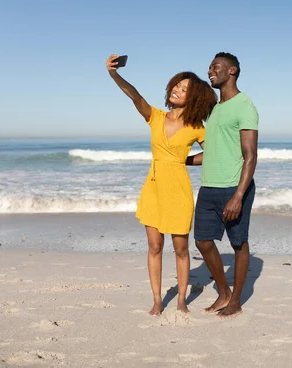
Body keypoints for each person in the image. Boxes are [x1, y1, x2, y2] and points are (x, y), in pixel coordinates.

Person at [106, 54, 217, 316]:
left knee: (180, 248)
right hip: (153, 188)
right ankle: (157, 300)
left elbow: (213, 153)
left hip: (178, 189)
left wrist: (185, 161)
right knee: (155, 247)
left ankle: (180, 300)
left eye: (185, 89)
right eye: (177, 86)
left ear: (195, 98)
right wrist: (114, 74)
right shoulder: (155, 117)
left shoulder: (196, 127)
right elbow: (135, 97)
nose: (178, 90)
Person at [187, 52, 259, 319]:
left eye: (215, 66)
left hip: (233, 187)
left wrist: (238, 196)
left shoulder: (245, 106)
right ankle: (224, 292)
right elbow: (214, 152)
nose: (209, 71)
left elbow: (250, 155)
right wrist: (181, 160)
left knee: (239, 243)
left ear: (233, 70)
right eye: (209, 67)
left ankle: (236, 301)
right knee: (203, 241)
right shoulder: (215, 110)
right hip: (209, 187)